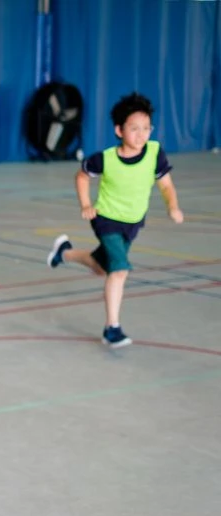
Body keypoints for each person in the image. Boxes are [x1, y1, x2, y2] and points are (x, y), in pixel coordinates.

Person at [46, 92, 183, 348]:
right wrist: (86, 204)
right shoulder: (105, 158)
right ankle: (112, 328)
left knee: (102, 268)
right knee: (119, 270)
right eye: (134, 129)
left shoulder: (154, 153)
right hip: (106, 219)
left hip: (133, 222)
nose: (142, 134)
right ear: (119, 130)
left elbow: (166, 186)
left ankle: (64, 253)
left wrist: (172, 206)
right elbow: (82, 177)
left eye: (146, 128)